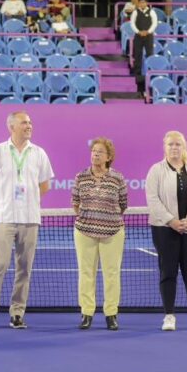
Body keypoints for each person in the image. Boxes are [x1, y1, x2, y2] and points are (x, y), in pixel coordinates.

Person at [0, 111, 54, 329]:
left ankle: (17, 313)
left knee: (24, 267)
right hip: (4, 218)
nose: (29, 126)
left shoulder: (39, 153)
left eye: (30, 122)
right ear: (12, 127)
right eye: (24, 123)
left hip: (30, 219)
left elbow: (44, 185)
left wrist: (28, 202)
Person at [145, 131, 187, 332]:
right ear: (165, 147)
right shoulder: (156, 171)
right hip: (164, 229)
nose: (174, 148)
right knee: (168, 272)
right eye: (171, 144)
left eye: (178, 144)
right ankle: (169, 316)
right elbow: (153, 199)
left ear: (184, 147)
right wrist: (171, 221)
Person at [71, 138, 127, 331]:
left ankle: (111, 314)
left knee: (112, 274)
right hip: (84, 231)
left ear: (109, 156)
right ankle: (87, 313)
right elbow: (75, 202)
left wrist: (106, 218)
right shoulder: (81, 177)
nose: (95, 154)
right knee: (86, 273)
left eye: (100, 152)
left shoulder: (117, 178)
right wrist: (90, 219)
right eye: (93, 151)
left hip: (112, 231)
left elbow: (123, 204)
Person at [130, 0, 158, 94]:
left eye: (144, 2)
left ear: (146, 3)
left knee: (150, 53)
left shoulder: (151, 11)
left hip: (148, 36)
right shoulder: (135, 12)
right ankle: (137, 74)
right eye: (140, 2)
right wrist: (138, 32)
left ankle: (151, 72)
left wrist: (148, 31)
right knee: (138, 54)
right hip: (138, 36)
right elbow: (132, 23)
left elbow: (154, 23)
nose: (142, 4)